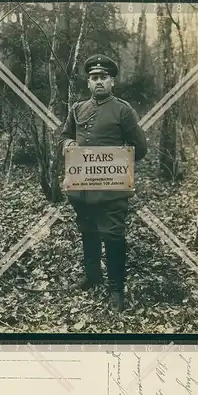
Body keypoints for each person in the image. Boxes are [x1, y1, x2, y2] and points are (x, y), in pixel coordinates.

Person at [59, 54, 147, 312]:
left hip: (112, 191)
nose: (98, 82)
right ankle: (92, 276)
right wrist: (68, 144)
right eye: (94, 78)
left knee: (113, 237)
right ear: (88, 83)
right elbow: (64, 136)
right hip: (82, 191)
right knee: (88, 232)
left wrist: (116, 157)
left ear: (112, 82)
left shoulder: (123, 110)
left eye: (103, 77)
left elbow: (140, 149)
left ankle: (116, 289)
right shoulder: (77, 109)